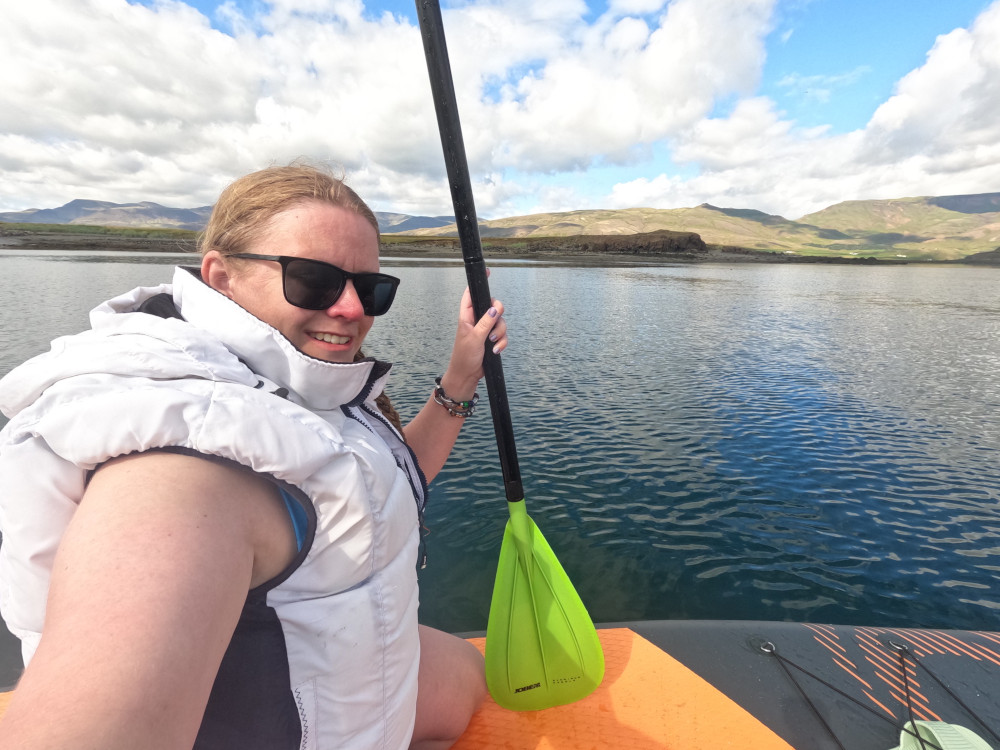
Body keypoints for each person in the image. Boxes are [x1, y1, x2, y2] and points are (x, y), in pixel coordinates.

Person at [0, 164, 507, 749]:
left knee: (468, 673)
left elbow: (380, 484)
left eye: (371, 289)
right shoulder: (184, 463)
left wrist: (460, 379)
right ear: (221, 277)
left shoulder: (293, 385)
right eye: (313, 280)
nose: (350, 309)